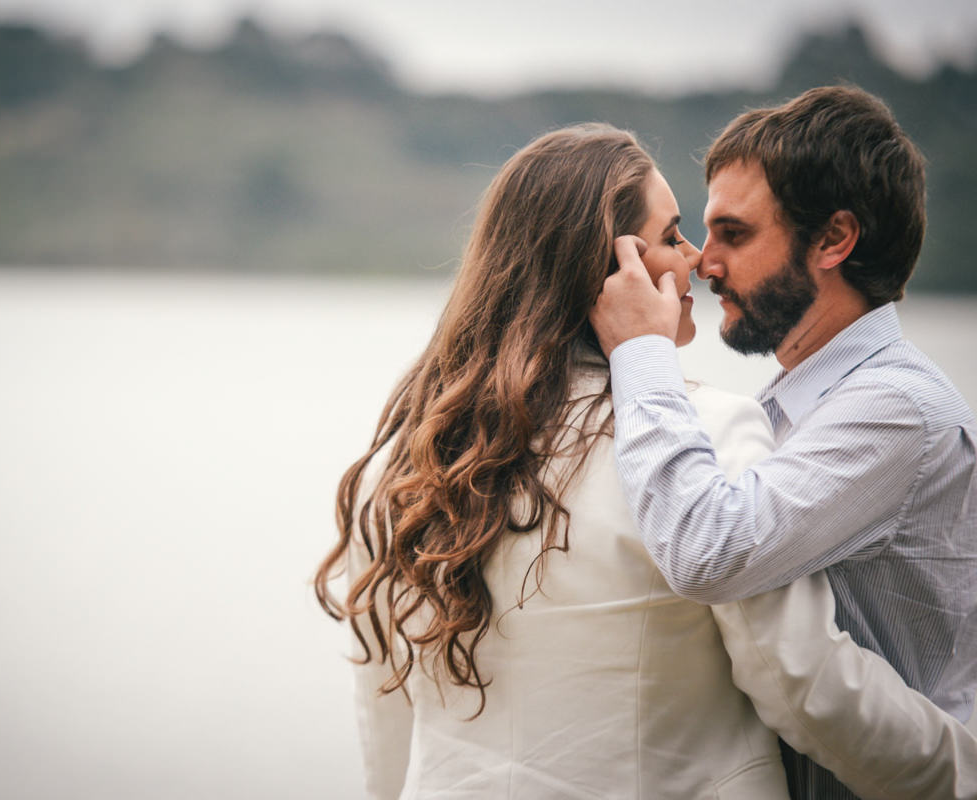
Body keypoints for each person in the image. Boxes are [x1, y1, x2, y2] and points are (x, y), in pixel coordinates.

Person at [314, 123, 977, 799]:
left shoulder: (409, 465)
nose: (697, 260)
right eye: (673, 235)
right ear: (609, 267)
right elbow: (805, 686)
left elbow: (385, 712)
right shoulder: (710, 434)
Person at [590, 86, 977, 799]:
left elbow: (708, 553)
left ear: (833, 240)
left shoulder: (896, 410)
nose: (704, 263)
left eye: (734, 234)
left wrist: (642, 354)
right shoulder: (799, 402)